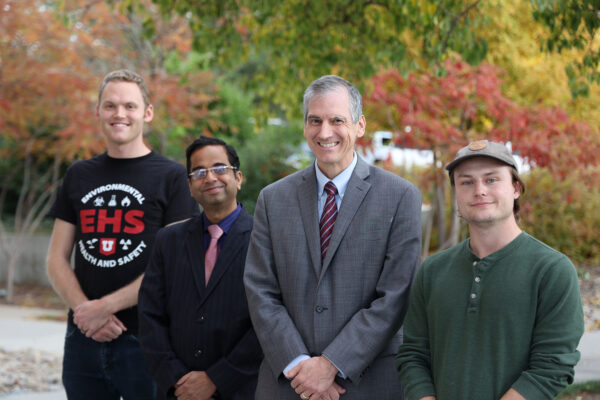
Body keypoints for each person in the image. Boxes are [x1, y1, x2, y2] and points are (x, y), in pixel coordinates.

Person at [243, 75, 422, 400]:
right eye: (315, 121)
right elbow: (260, 290)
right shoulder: (273, 199)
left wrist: (331, 365)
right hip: (288, 384)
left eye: (337, 120)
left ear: (359, 125)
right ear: (305, 126)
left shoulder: (400, 197)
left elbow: (395, 295)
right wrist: (300, 365)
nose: (325, 132)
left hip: (366, 384)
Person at [46, 69, 199, 399]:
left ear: (147, 113)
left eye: (130, 106)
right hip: (83, 339)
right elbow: (56, 259)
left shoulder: (173, 178)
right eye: (110, 106)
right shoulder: (78, 175)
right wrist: (87, 313)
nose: (120, 114)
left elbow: (174, 266)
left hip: (147, 341)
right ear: (98, 112)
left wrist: (104, 308)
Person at [397, 140, 585, 400]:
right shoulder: (432, 271)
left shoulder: (552, 271)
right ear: (456, 192)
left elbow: (552, 366)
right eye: (466, 182)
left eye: (492, 179)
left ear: (516, 188)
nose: (479, 190)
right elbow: (413, 354)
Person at [138, 136, 263, 400]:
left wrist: (216, 379)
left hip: (241, 390)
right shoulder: (168, 240)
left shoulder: (265, 240)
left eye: (219, 169)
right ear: (190, 185)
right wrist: (177, 381)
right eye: (199, 172)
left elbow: (269, 320)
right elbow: (150, 317)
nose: (210, 178)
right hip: (177, 392)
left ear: (238, 178)